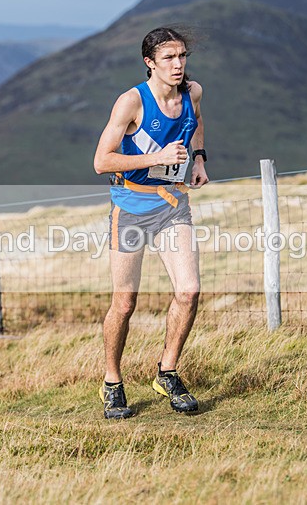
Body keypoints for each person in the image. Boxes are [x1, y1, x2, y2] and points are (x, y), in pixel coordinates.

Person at [93, 27, 209, 419]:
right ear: (149, 63)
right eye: (168, 59)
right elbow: (101, 162)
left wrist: (199, 159)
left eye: (182, 57)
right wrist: (154, 158)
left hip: (173, 205)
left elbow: (196, 123)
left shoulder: (192, 92)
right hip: (129, 208)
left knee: (189, 291)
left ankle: (168, 372)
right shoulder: (130, 102)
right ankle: (112, 382)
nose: (178, 65)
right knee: (124, 303)